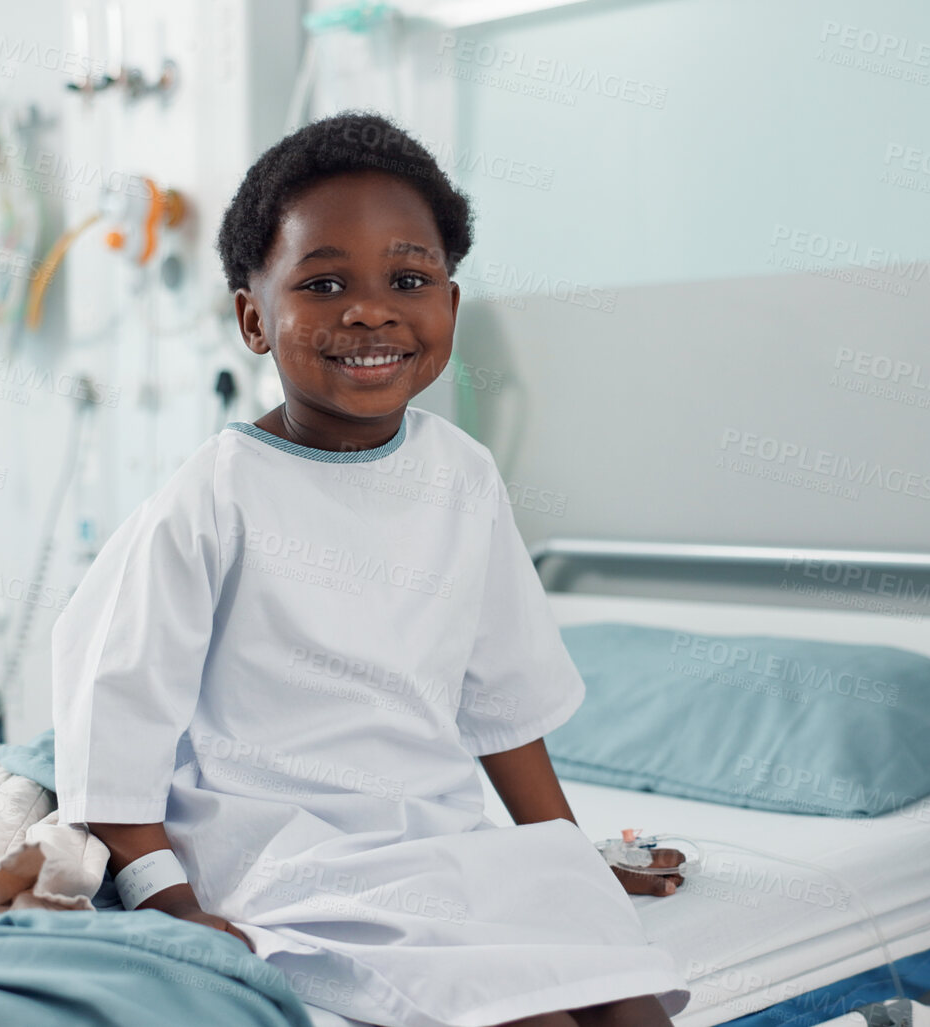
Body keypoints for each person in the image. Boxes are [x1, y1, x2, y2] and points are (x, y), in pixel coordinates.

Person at [52, 109, 690, 1027]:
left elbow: (501, 702)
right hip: (288, 857)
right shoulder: (213, 499)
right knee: (532, 1016)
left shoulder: (462, 478)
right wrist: (171, 903)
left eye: (407, 278)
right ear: (253, 319)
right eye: (322, 283)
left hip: (438, 839)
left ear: (450, 306)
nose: (369, 309)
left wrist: (563, 858)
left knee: (630, 1008)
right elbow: (115, 724)